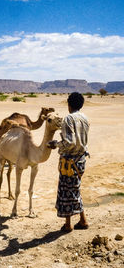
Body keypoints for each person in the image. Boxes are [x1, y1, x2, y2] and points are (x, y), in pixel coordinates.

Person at [48, 92, 90, 233]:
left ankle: (75, 223)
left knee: (68, 191)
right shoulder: (85, 118)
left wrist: (56, 144)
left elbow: (70, 142)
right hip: (81, 161)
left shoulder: (68, 119)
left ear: (69, 104)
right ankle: (76, 222)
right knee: (72, 190)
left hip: (70, 162)